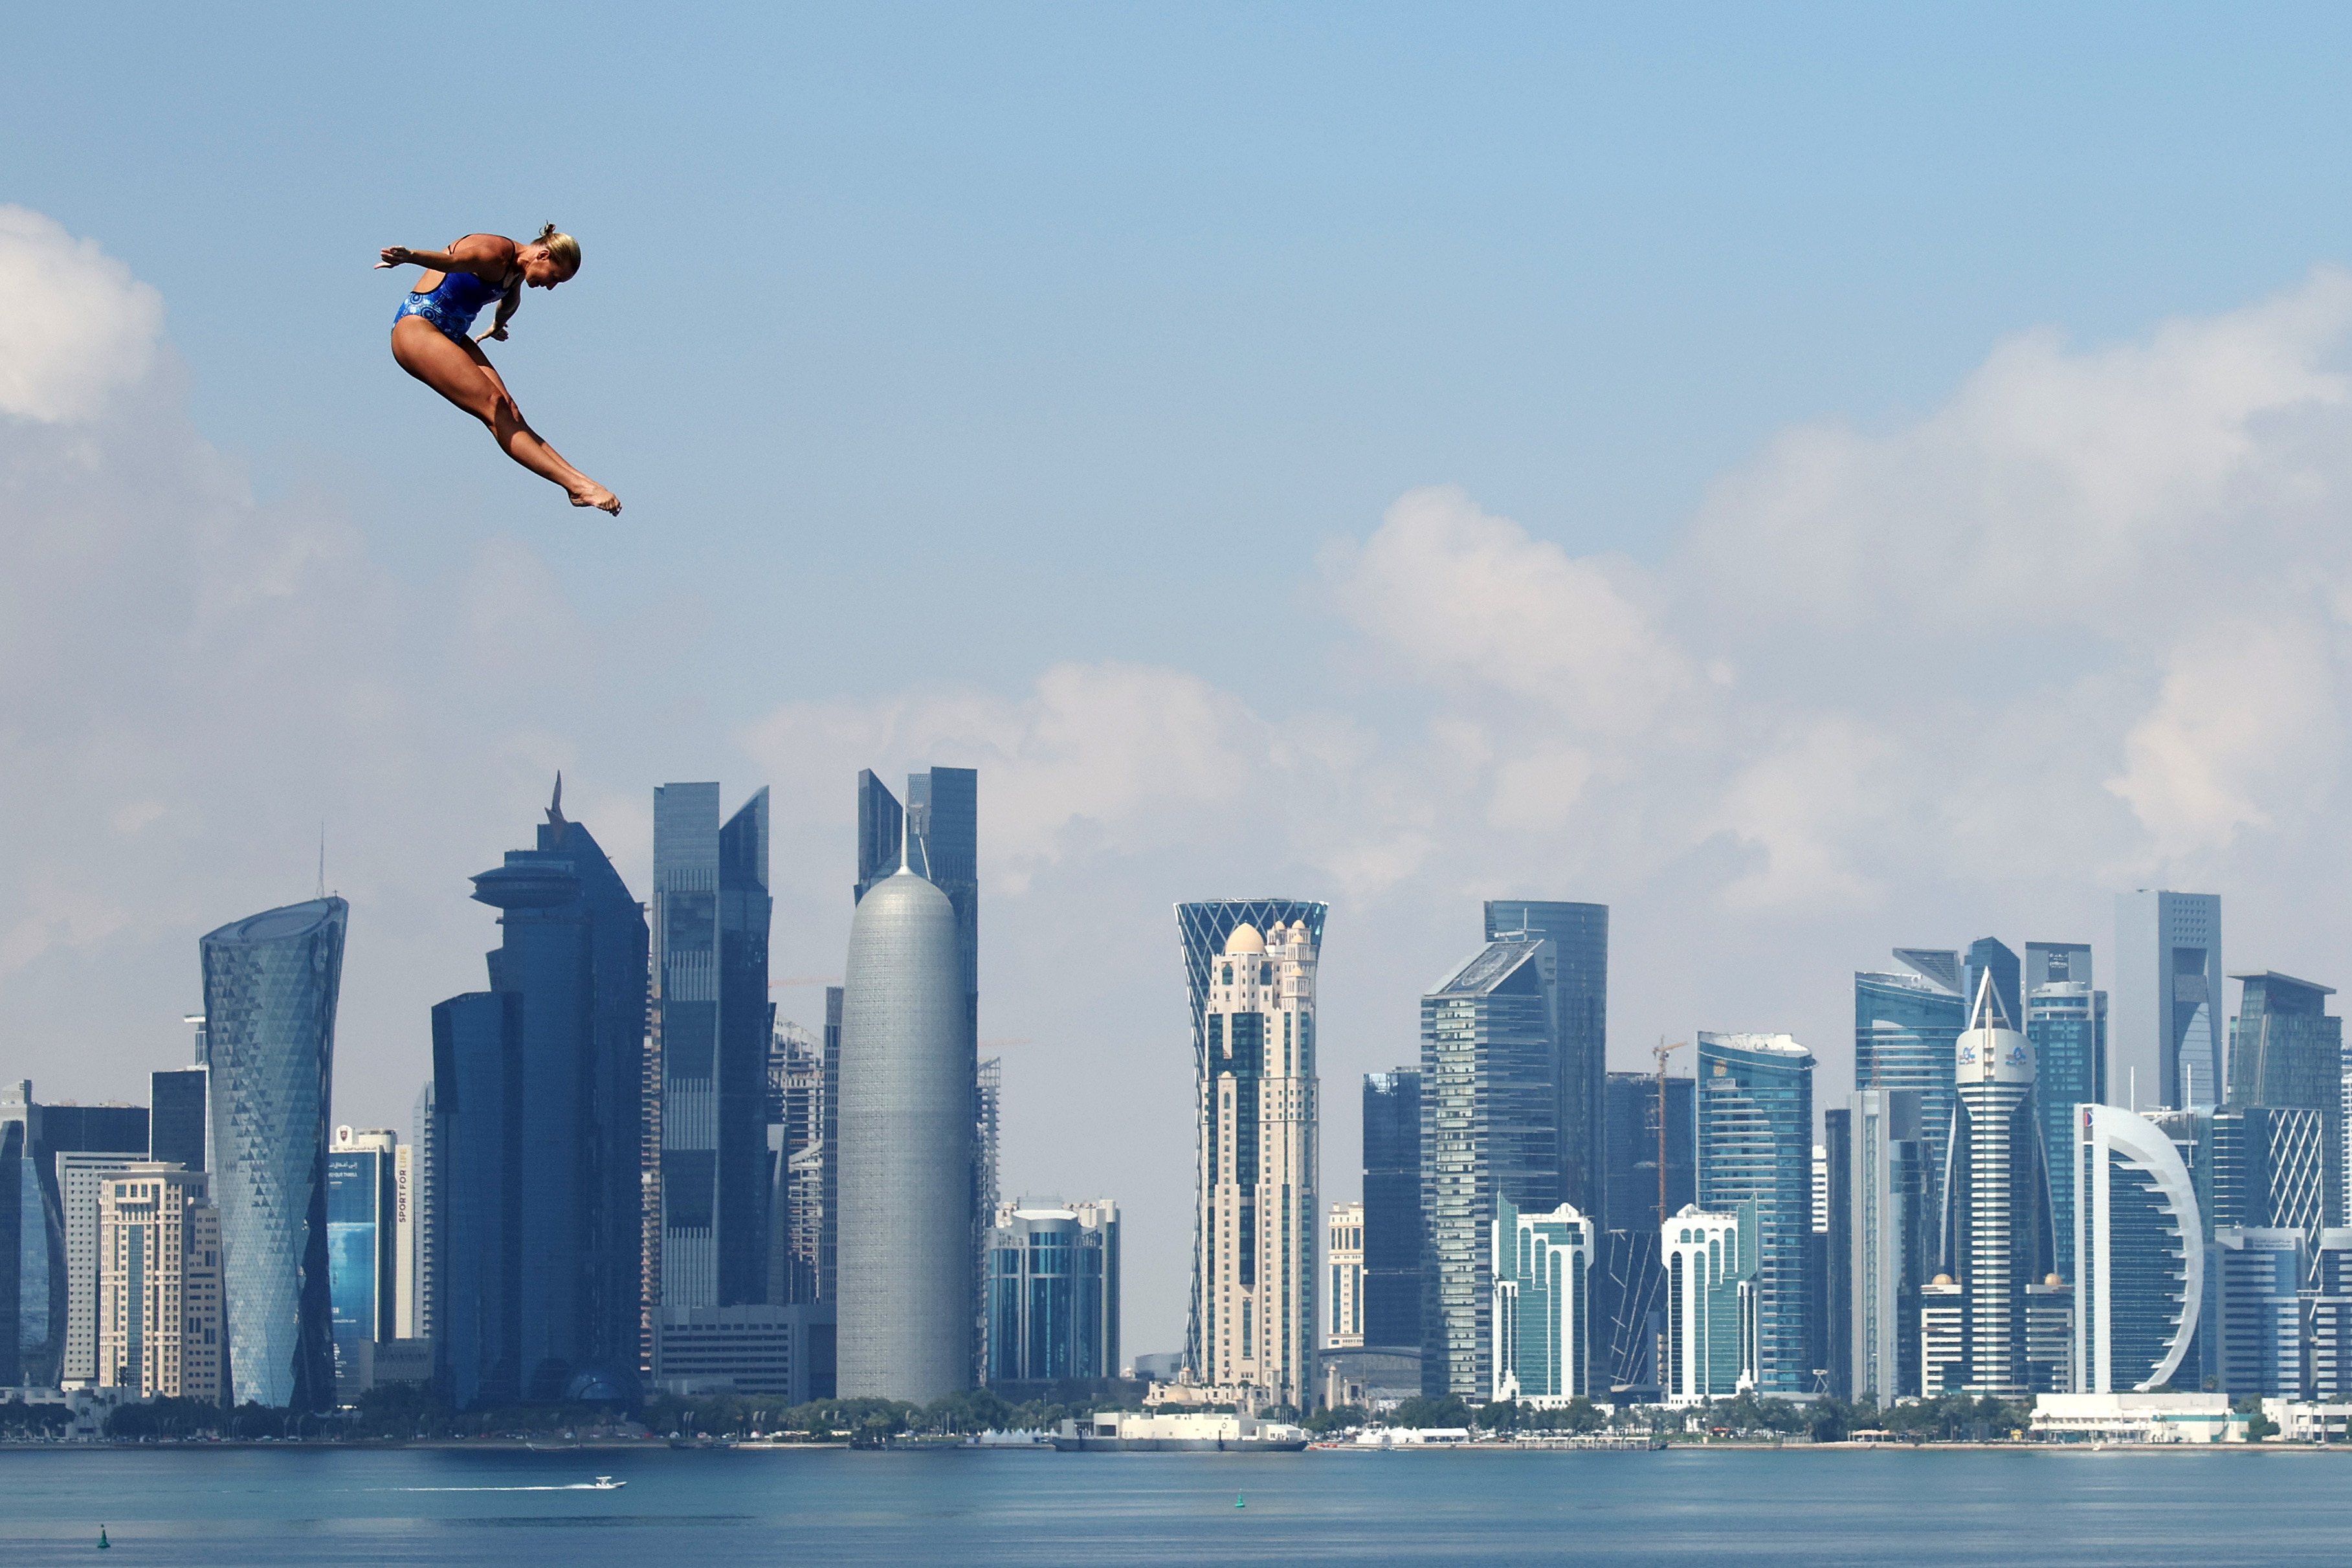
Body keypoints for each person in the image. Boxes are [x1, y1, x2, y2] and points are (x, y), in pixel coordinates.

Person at [377, 225, 621, 514]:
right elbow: (453, 263)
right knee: (493, 406)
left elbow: (509, 299)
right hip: (418, 328)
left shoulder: (517, 268)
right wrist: (411, 256)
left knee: (509, 409)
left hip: (451, 332)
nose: (551, 286)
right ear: (543, 254)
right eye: (554, 277)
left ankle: (580, 481)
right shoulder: (496, 254)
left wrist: (498, 325)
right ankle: (575, 486)